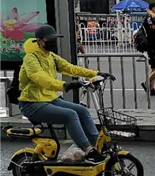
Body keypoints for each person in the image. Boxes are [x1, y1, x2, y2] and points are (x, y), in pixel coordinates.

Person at [18, 25, 111, 164]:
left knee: (82, 110)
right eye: (49, 39)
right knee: (70, 115)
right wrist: (64, 86)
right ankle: (88, 150)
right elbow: (41, 79)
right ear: (39, 41)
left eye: (54, 39)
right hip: (32, 103)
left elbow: (70, 68)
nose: (53, 42)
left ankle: (98, 145)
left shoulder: (51, 56)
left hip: (50, 99)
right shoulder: (31, 59)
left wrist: (95, 74)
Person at [141, 3, 155, 96]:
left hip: (153, 45)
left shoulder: (151, 16)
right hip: (152, 45)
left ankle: (151, 88)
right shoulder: (150, 17)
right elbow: (153, 30)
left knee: (154, 67)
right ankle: (146, 82)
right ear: (153, 8)